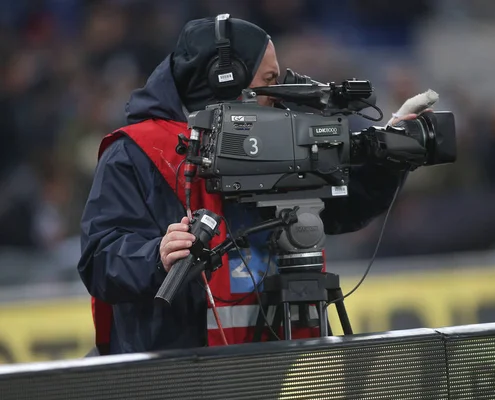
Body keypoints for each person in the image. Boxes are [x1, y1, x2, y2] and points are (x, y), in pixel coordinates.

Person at [78, 14, 418, 355]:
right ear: (225, 82)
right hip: (171, 370)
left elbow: (342, 208)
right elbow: (100, 260)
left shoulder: (280, 135)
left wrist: (390, 157)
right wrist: (156, 256)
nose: (276, 93)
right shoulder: (134, 153)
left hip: (268, 362)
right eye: (268, 79)